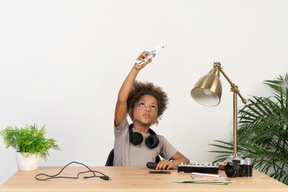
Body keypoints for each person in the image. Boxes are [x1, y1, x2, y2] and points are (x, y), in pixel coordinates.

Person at [113, 51, 190, 170]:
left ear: (156, 118)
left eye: (153, 107)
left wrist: (173, 163)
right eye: (142, 104)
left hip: (148, 187)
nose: (148, 109)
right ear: (131, 111)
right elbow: (122, 99)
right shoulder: (122, 132)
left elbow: (185, 161)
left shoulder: (159, 141)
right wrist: (135, 69)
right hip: (122, 187)